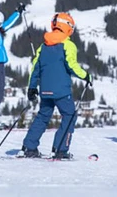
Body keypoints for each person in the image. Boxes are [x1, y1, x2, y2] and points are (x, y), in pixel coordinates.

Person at [21, 12, 91, 160]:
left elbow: (35, 68)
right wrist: (86, 76)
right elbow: (72, 66)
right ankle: (60, 149)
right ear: (68, 27)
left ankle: (30, 147)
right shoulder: (68, 44)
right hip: (61, 91)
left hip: (45, 90)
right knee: (70, 115)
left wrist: (32, 87)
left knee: (43, 116)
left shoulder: (43, 46)